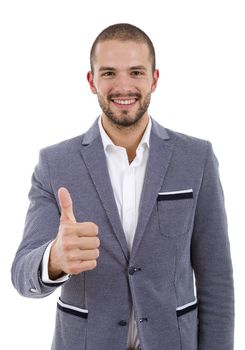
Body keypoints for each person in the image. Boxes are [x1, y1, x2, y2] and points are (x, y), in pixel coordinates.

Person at [11, 23, 234, 350]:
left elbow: (216, 280)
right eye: (109, 73)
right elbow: (22, 273)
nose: (123, 86)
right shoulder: (54, 163)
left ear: (154, 79)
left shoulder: (196, 158)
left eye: (136, 72)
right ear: (92, 81)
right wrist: (54, 259)